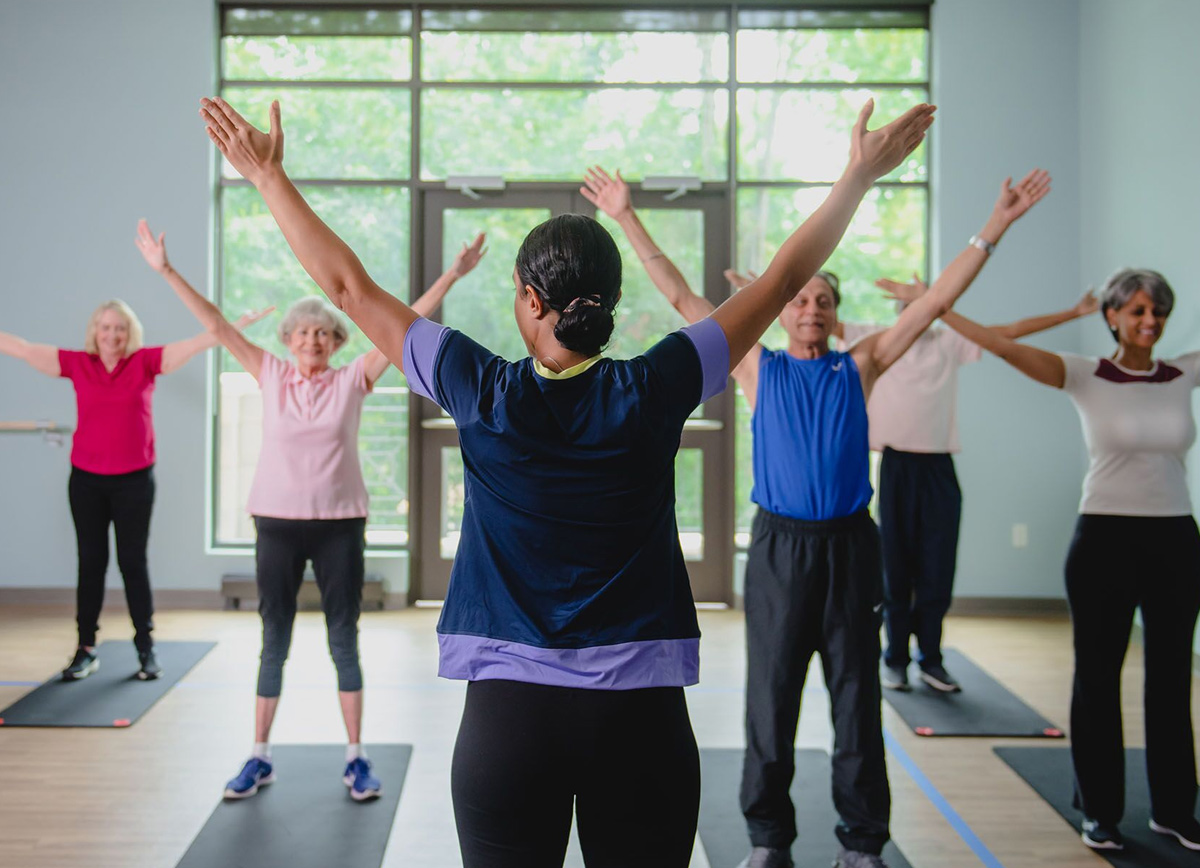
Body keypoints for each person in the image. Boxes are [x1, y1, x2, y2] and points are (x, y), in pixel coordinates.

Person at [198, 92, 933, 866]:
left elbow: (348, 288)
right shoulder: (659, 384)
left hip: (509, 727)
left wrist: (268, 177)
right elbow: (782, 280)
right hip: (644, 723)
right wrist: (857, 176)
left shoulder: (477, 386)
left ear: (528, 298)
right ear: (611, 303)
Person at [582, 163, 1050, 868]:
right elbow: (678, 293)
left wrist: (996, 225)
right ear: (780, 310)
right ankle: (769, 839)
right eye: (799, 298)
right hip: (780, 550)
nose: (810, 308)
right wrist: (624, 215)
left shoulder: (861, 365)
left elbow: (934, 302)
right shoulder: (755, 366)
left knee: (857, 702)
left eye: (823, 300)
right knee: (770, 703)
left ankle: (862, 842)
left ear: (836, 314)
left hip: (851, 549)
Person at [136, 218, 486, 802]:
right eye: (302, 332)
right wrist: (166, 270)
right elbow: (217, 325)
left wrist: (452, 274)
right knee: (273, 638)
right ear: (288, 339)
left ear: (336, 341)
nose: (312, 341)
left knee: (342, 637)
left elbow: (406, 326)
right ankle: (258, 755)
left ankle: (356, 757)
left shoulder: (353, 379)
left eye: (323, 333)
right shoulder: (269, 373)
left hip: (339, 526)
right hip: (276, 525)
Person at [725, 270, 1098, 694]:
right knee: (894, 567)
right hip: (895, 465)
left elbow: (1009, 332)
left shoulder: (948, 341)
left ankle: (931, 658)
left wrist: (1073, 313)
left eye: (920, 300)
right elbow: (805, 318)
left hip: (938, 467)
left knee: (937, 568)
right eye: (909, 302)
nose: (914, 308)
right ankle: (895, 658)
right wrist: (765, 293)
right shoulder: (871, 339)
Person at [935, 269, 1200, 854]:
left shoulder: (1184, 372)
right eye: (1138, 311)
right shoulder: (1086, 374)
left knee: (1171, 678)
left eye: (1158, 311)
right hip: (1104, 540)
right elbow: (1001, 345)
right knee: (1098, 679)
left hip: (1176, 540)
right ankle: (1100, 811)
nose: (1150, 321)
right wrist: (938, 307)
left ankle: (1175, 809)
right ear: (1112, 316)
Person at [0, 291, 267, 682]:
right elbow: (22, 349)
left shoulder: (145, 362)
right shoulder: (78, 364)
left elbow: (196, 343)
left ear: (130, 332)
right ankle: (85, 648)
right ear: (95, 331)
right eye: (106, 327)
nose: (112, 335)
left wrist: (236, 326)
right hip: (87, 482)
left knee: (132, 563)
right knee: (91, 563)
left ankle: (145, 646)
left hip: (134, 482)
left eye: (120, 328)